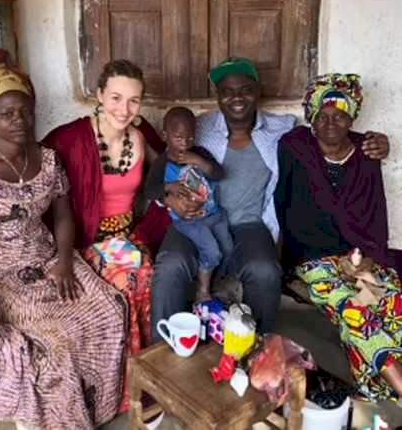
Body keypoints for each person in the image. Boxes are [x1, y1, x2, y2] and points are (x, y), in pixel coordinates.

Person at [0, 59, 171, 411]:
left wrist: (64, 260)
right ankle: (67, 409)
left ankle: (117, 397)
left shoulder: (53, 157)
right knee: (69, 328)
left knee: (120, 300)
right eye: (115, 98)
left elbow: (169, 171)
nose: (19, 121)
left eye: (133, 100)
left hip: (64, 253)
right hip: (13, 267)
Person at [150, 57, 390, 342]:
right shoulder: (198, 128)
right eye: (227, 90)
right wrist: (167, 196)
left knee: (265, 272)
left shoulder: (283, 130)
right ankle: (161, 356)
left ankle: (258, 354)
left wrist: (373, 142)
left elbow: (328, 132)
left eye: (245, 89)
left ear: (258, 92)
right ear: (218, 96)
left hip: (248, 226)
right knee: (169, 266)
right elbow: (161, 167)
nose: (237, 97)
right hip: (196, 220)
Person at [274, 73, 402, 401]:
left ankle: (377, 385)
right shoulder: (296, 148)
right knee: (354, 311)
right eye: (323, 116)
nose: (331, 123)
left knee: (387, 301)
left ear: (352, 118)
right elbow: (287, 208)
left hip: (358, 257)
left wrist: (365, 261)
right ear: (312, 119)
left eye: (341, 115)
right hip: (313, 261)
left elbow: (375, 214)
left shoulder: (366, 155)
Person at [145, 106, 233, 303]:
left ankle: (214, 281)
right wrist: (169, 186)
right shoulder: (162, 163)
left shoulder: (200, 153)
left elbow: (219, 174)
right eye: (178, 138)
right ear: (165, 135)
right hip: (190, 221)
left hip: (214, 213)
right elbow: (149, 190)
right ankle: (202, 292)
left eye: (190, 138)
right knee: (212, 251)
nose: (185, 144)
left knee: (227, 248)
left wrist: (199, 161)